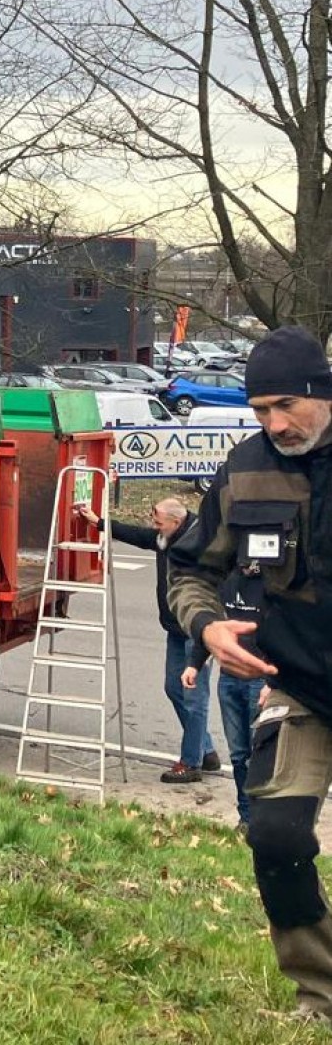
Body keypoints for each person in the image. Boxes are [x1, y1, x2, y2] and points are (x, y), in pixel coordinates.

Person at [168, 325, 332, 1020]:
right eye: (260, 409)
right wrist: (206, 626)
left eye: (285, 405)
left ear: (322, 393)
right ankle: (319, 993)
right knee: (274, 834)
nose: (273, 423)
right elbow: (189, 566)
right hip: (299, 687)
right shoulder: (245, 467)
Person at [78, 495, 217, 782]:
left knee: (194, 697)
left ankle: (191, 764)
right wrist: (101, 523)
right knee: (173, 688)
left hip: (197, 631)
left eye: (159, 522)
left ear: (176, 522)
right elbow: (142, 537)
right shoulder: (166, 535)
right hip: (174, 628)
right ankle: (206, 750)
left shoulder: (200, 541)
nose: (155, 526)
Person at [180, 570, 266, 826]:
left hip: (260, 678)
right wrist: (194, 664)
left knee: (259, 755)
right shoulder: (225, 581)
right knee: (239, 754)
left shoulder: (271, 584)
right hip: (229, 679)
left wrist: (273, 681)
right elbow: (213, 627)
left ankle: (263, 820)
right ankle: (246, 818)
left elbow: (285, 633)